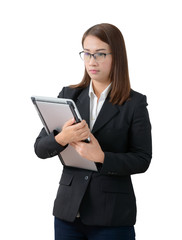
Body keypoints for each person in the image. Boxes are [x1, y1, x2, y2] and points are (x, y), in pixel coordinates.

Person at [34, 23, 152, 240]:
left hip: (112, 216)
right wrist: (62, 138)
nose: (92, 61)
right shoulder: (69, 95)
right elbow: (40, 149)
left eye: (100, 54)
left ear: (116, 56)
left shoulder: (134, 103)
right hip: (67, 214)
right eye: (87, 54)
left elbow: (142, 159)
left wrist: (101, 157)